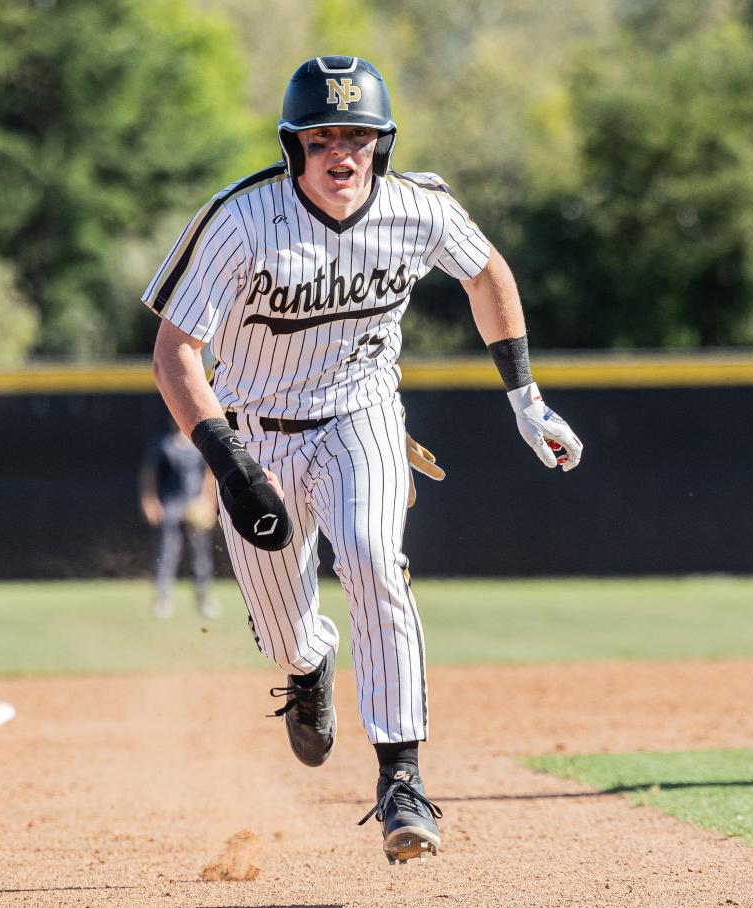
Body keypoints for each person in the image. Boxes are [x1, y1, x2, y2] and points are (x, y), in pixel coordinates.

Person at [142, 56, 582, 864]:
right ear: (292, 148)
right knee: (283, 631)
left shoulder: (417, 209)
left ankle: (402, 779)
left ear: (382, 144)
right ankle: (309, 663)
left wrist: (527, 399)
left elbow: (487, 271)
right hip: (256, 429)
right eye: (321, 138)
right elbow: (175, 351)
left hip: (362, 413)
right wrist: (231, 464)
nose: (341, 153)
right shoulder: (241, 220)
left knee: (378, 561)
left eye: (359, 136)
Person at [138, 421, 220, 619]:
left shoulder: (198, 445)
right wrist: (149, 501)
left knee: (201, 554)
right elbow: (149, 475)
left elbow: (208, 474)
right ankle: (162, 599)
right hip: (171, 503)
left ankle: (204, 599)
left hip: (194, 503)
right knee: (167, 552)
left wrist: (209, 502)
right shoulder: (163, 444)